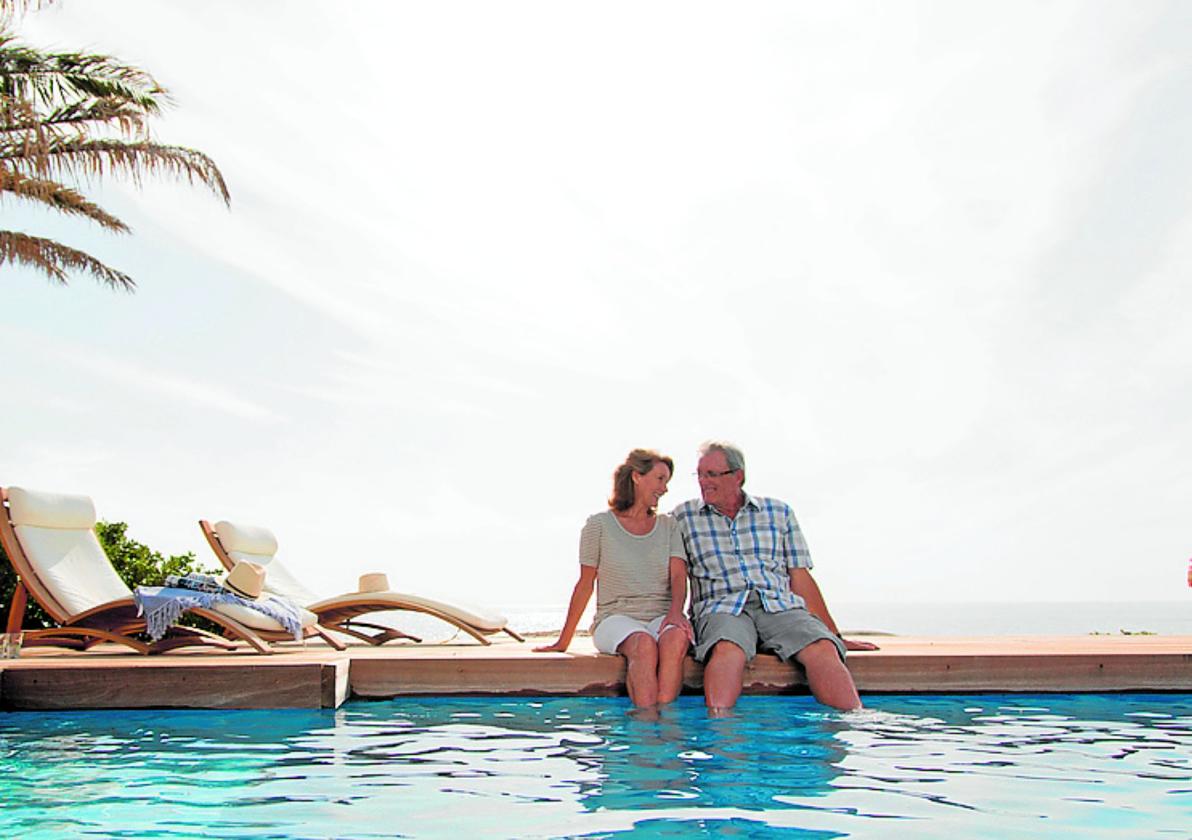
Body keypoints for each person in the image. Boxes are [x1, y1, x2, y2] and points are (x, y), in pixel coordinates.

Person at [672, 440, 878, 714]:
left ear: (738, 476)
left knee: (822, 647)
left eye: (711, 474)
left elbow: (799, 576)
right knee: (726, 650)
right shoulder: (682, 516)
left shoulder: (778, 512)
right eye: (700, 474)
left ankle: (854, 721)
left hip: (778, 606)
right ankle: (721, 734)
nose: (703, 481)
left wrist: (834, 634)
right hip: (722, 607)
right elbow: (671, 572)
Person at [534, 448, 694, 708]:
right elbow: (585, 584)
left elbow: (678, 576)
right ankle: (646, 726)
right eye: (660, 479)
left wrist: (676, 613)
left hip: (661, 616)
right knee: (643, 646)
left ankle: (665, 725)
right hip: (615, 618)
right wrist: (563, 641)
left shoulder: (669, 526)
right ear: (636, 477)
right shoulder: (598, 525)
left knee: (676, 639)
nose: (664, 489)